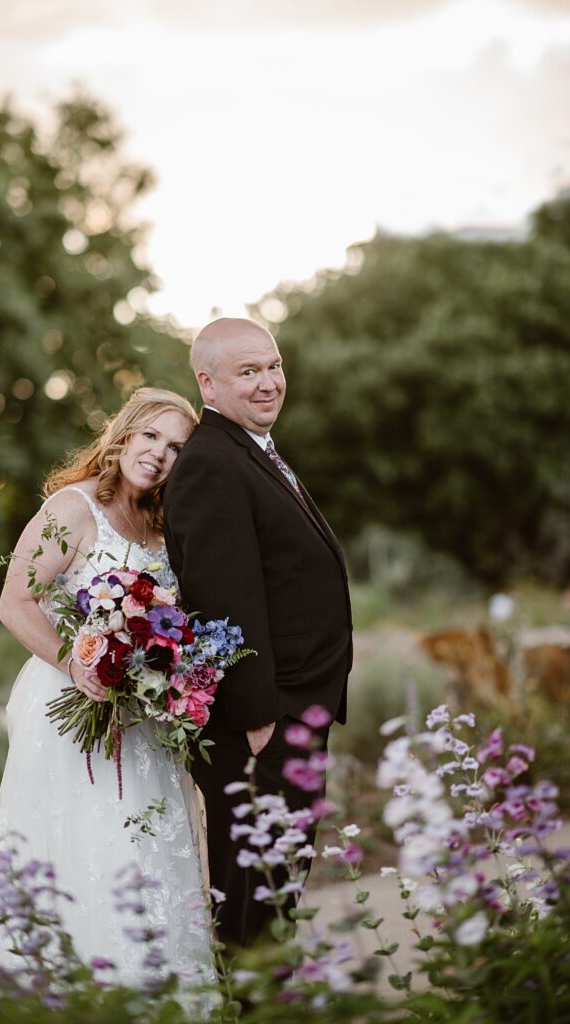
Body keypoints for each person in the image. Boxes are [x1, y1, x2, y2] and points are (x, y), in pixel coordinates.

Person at [0, 387, 215, 989]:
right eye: (151, 435)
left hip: (144, 724)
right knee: (77, 848)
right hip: (69, 712)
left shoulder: (164, 524)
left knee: (143, 854)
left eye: (176, 446)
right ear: (123, 433)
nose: (158, 454)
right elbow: (14, 601)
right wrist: (76, 664)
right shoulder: (72, 509)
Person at [163, 318, 352, 947]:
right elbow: (222, 595)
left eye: (273, 366)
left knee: (280, 892)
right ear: (207, 383)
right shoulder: (212, 462)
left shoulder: (250, 449)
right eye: (250, 372)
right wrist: (255, 716)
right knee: (255, 906)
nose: (270, 382)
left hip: (294, 707)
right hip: (262, 721)